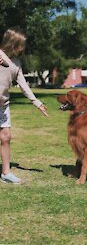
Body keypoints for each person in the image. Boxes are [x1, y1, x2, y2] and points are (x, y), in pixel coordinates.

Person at [0, 28, 48, 184]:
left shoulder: (17, 63)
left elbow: (23, 86)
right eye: (21, 45)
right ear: (12, 43)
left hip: (3, 105)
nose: (22, 49)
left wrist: (37, 103)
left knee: (6, 137)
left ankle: (6, 173)